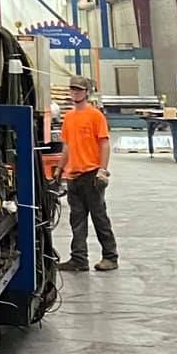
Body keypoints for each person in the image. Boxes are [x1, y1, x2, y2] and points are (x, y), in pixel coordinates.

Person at [60, 77, 118, 272]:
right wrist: (60, 168)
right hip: (73, 177)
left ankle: (110, 257)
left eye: (79, 89)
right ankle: (79, 259)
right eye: (73, 89)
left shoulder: (95, 116)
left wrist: (102, 170)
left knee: (99, 217)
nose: (75, 93)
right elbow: (67, 146)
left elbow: (104, 143)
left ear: (87, 92)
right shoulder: (68, 117)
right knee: (77, 220)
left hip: (91, 174)